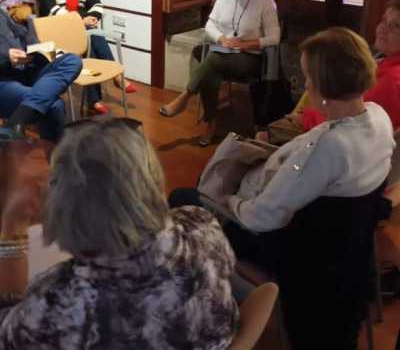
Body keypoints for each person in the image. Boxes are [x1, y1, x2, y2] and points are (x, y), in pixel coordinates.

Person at [170, 27, 395, 349]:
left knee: (185, 199)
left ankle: (200, 305)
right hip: (349, 247)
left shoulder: (329, 146)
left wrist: (227, 199)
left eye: (308, 76)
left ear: (325, 85)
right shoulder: (379, 118)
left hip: (301, 252)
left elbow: (261, 218)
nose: (306, 85)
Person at [0, 117, 238, 349]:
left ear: (65, 201)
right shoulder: (204, 227)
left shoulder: (60, 306)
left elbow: (6, 331)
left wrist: (12, 227)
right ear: (149, 177)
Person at [160, 0, 280, 146]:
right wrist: (222, 39)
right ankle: (210, 123)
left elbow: (274, 37)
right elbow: (210, 25)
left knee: (213, 60)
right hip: (223, 52)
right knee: (212, 71)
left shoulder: (265, 0)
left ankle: (186, 98)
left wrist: (245, 44)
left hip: (249, 58)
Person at [256, 0, 400, 145]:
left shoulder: (392, 81)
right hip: (327, 118)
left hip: (328, 131)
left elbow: (349, 123)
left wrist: (305, 117)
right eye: (384, 20)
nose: (383, 29)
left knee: (262, 138)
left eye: (395, 26)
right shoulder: (384, 60)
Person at [38, 0, 136, 114]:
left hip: (82, 31)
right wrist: (79, 21)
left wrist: (90, 17)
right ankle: (116, 78)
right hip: (57, 34)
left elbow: (97, 4)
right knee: (91, 33)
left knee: (91, 37)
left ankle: (95, 100)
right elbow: (51, 9)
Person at [0, 7, 81, 142]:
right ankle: (56, 157)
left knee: (72, 60)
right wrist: (5, 58)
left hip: (28, 72)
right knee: (54, 105)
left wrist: (46, 52)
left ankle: (15, 122)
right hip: (5, 81)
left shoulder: (12, 15)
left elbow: (33, 46)